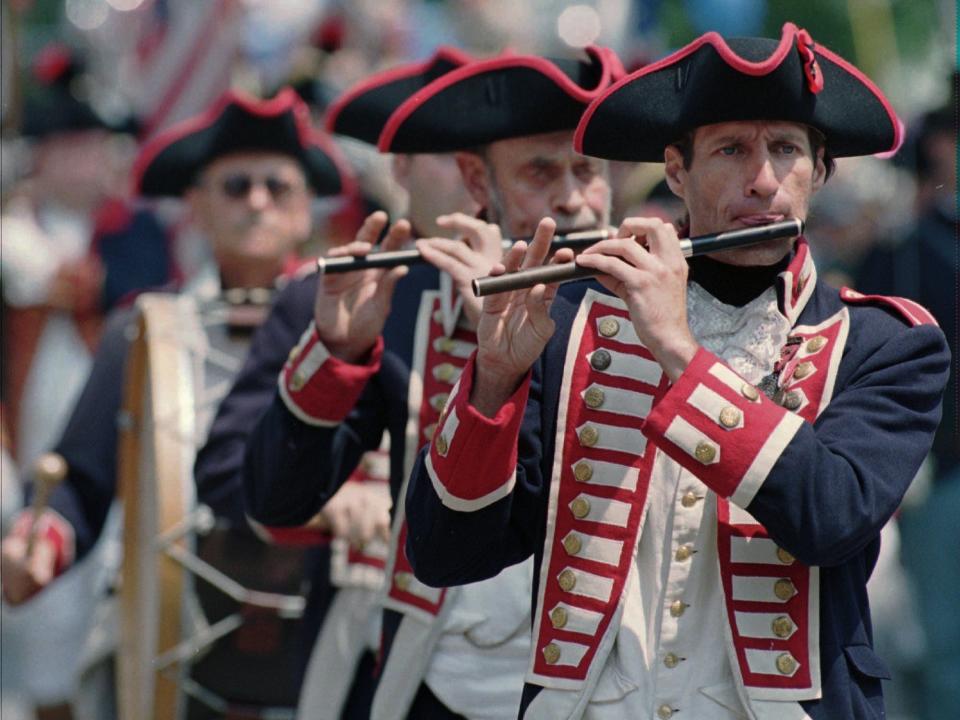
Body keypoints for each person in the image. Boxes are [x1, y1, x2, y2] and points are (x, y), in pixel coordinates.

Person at [404, 23, 951, 720]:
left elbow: (829, 517)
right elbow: (445, 554)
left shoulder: (886, 341)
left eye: (785, 149)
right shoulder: (571, 325)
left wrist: (676, 349)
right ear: (675, 171)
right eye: (730, 150)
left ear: (818, 171)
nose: (762, 179)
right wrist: (492, 383)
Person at [236, 46, 623, 719]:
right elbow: (275, 498)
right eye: (541, 171)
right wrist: (338, 348)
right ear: (477, 179)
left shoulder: (655, 301)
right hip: (438, 681)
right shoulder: (410, 295)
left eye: (588, 171)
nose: (573, 199)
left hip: (614, 682)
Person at [0, 88, 352, 719]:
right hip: (169, 649)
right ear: (196, 206)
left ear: (305, 212)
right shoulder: (144, 329)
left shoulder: (354, 331)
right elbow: (79, 478)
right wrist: (40, 537)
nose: (258, 202)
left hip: (317, 648)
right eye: (236, 186)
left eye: (279, 187)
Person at [195, 47, 480, 720]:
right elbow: (231, 473)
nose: (472, 175)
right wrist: (336, 504)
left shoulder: (566, 293)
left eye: (486, 154)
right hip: (374, 638)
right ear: (402, 168)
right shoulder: (331, 293)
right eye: (448, 154)